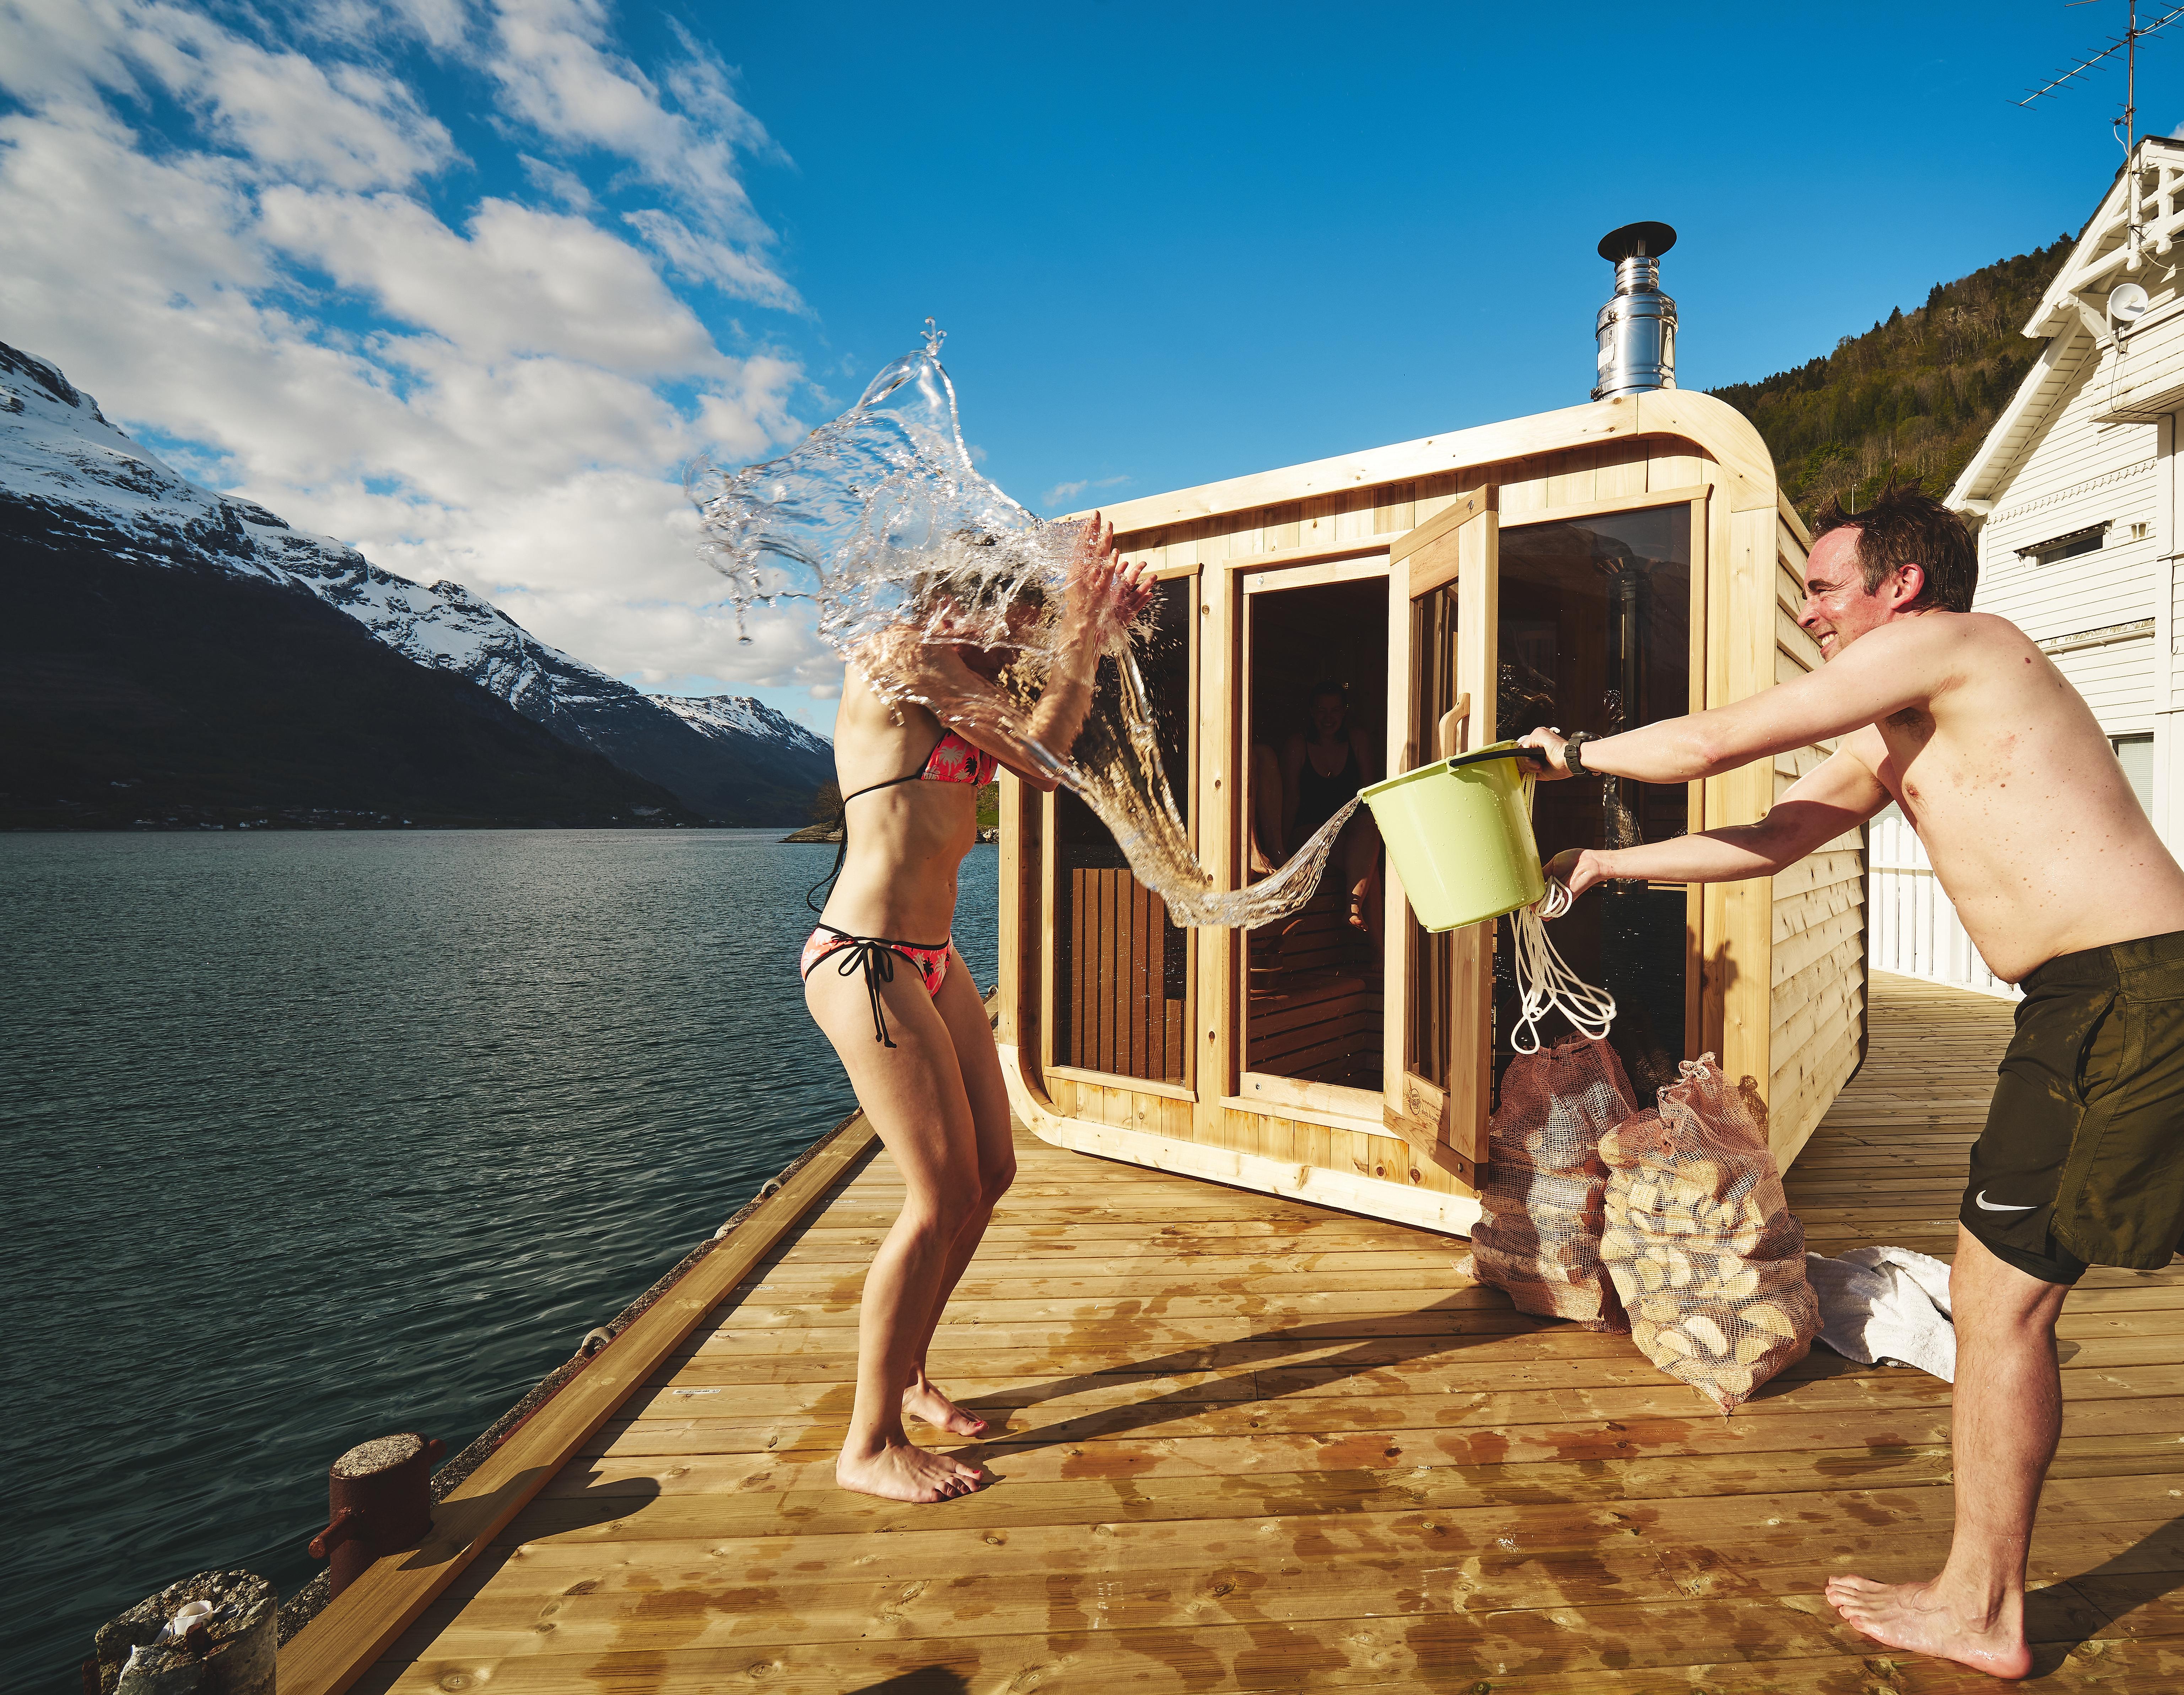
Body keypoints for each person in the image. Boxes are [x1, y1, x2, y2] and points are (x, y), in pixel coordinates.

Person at [1517, 484, 2184, 1682]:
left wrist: (1562, 754)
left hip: (2127, 994)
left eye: (1824, 589)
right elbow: (1770, 836)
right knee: (1999, 1300)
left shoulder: (1957, 645)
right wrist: (1605, 860)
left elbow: (1718, 741)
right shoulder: (1899, 724)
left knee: (2001, 1304)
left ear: (1901, 587)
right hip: (2094, 1005)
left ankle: (1980, 1607)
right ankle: (1978, 1599)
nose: (1811, 612)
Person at [804, 514, 1151, 1503]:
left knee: (989, 1172)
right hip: (863, 959)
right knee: (938, 1193)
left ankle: (907, 1374)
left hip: (930, 957)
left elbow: (1043, 751)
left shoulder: (972, 685)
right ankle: (866, 1443)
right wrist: (1083, 635)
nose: (1025, 647)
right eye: (1020, 626)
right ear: (962, 604)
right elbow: (1040, 763)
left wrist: (1093, 636)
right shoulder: (897, 653)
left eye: (1038, 629)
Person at [1282, 679, 1383, 941]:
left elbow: (1368, 793)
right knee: (1367, 872)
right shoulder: (1298, 744)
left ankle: (1354, 909)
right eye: (1321, 711)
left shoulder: (1357, 741)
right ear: (1311, 712)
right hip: (1309, 832)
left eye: (1335, 710)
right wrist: (1282, 849)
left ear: (1344, 711)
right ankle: (1378, 951)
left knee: (1368, 824)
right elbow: (1291, 797)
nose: (1328, 718)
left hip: (1347, 831)